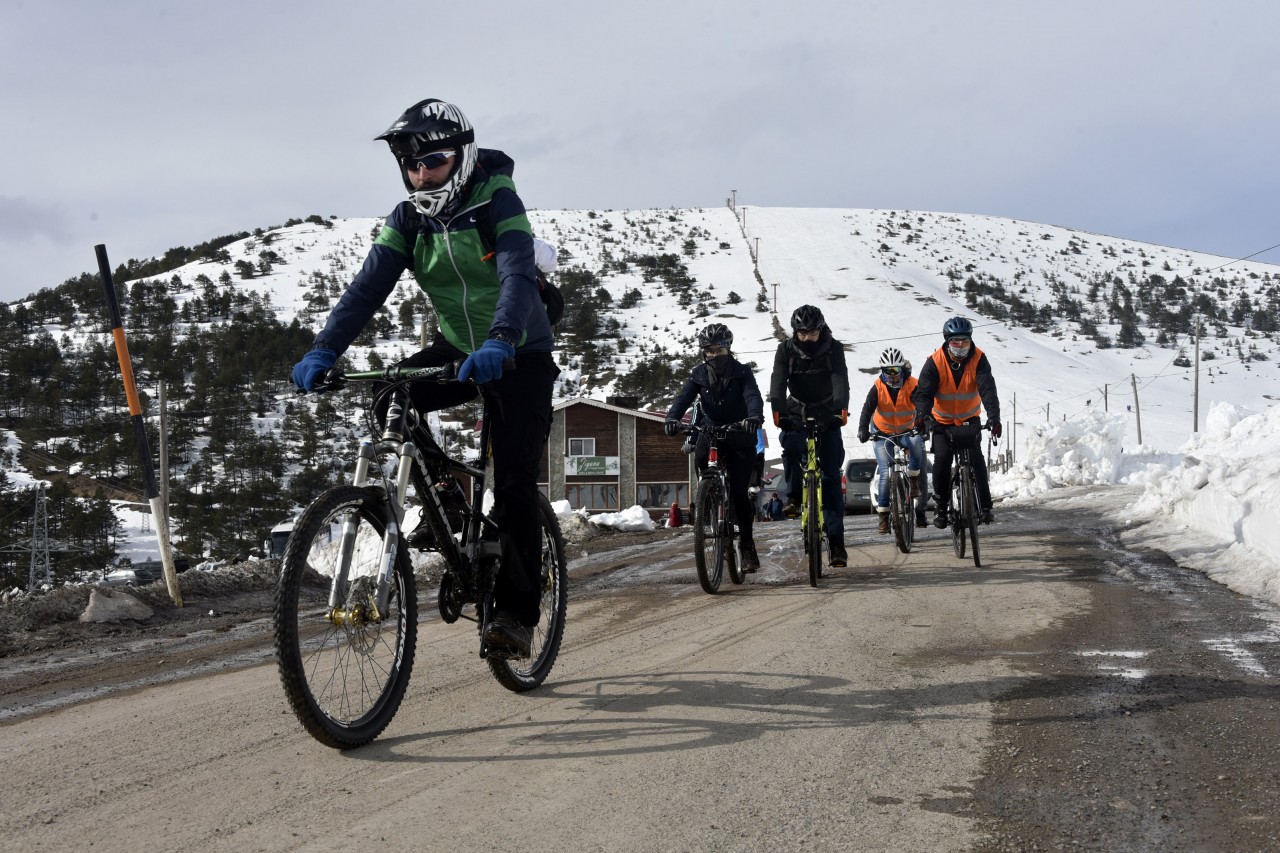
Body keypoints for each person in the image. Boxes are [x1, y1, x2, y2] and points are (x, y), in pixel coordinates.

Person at [290, 98, 558, 658]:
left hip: (519, 351)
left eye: (431, 160)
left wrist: (503, 339)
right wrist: (324, 349)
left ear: (460, 155)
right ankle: (448, 507)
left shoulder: (496, 198)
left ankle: (516, 615)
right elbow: (367, 289)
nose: (420, 174)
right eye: (409, 164)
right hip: (461, 349)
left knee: (512, 485)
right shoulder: (408, 219)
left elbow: (515, 274)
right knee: (392, 392)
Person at [664, 323, 765, 572]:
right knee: (701, 459)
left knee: (740, 493)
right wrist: (672, 418)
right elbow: (683, 397)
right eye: (709, 351)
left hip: (739, 433)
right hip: (711, 431)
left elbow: (753, 396)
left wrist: (753, 417)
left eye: (718, 350)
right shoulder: (698, 374)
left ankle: (747, 546)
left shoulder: (742, 372)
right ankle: (708, 495)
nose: (714, 355)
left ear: (728, 349)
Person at [769, 305, 850, 568]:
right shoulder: (785, 350)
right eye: (802, 333)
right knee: (791, 445)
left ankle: (836, 541)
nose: (807, 337)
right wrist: (779, 412)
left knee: (829, 476)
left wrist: (840, 411)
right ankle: (793, 496)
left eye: (812, 332)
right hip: (797, 409)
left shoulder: (833, 348)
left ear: (821, 329)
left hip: (827, 411)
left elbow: (840, 379)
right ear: (795, 332)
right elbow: (778, 382)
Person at [912, 316, 1002, 528]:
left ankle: (986, 507)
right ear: (947, 341)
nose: (960, 346)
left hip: (969, 419)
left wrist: (994, 417)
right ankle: (942, 507)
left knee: (976, 459)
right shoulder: (934, 362)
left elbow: (988, 389)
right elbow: (923, 393)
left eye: (964, 341)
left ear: (970, 340)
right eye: (955, 342)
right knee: (942, 459)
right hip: (942, 420)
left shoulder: (979, 359)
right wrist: (922, 416)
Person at [857, 347, 927, 534]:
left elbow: (921, 403)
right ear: (882, 370)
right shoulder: (877, 387)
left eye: (895, 370)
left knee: (916, 443)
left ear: (901, 368)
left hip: (906, 430)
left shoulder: (912, 384)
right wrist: (863, 428)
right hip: (883, 433)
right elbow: (866, 409)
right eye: (887, 371)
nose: (892, 375)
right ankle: (883, 517)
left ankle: (913, 480)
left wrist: (923, 420)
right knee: (886, 474)